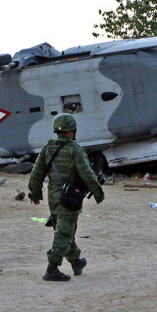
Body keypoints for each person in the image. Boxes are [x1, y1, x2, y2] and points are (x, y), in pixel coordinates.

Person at [28, 113, 104, 281]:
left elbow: (37, 173)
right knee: (63, 233)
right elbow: (87, 174)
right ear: (72, 130)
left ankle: (76, 262)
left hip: (54, 198)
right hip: (70, 197)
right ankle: (52, 269)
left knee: (65, 231)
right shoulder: (74, 149)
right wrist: (98, 192)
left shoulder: (48, 148)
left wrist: (35, 193)